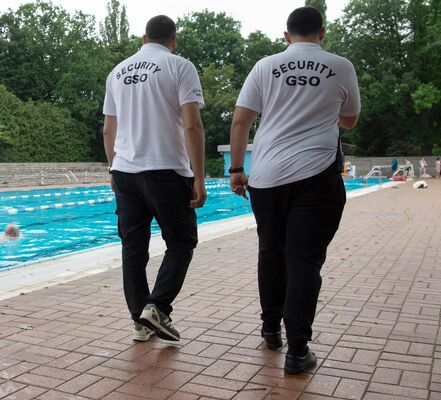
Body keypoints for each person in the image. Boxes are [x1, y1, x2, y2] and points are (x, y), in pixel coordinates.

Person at [228, 7, 360, 375]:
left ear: (286, 36)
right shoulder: (340, 65)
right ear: (322, 32)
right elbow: (350, 119)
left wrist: (238, 168)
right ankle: (297, 350)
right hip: (316, 175)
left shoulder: (265, 66)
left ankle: (271, 329)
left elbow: (241, 119)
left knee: (271, 250)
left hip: (267, 176)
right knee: (304, 259)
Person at [102, 15, 207, 343]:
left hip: (125, 171)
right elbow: (192, 126)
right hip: (165, 169)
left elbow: (108, 128)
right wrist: (199, 177)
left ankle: (139, 322)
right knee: (181, 241)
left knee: (133, 248)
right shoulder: (180, 66)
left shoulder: (117, 72)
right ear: (173, 40)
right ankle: (157, 307)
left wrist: (112, 169)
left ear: (143, 38)